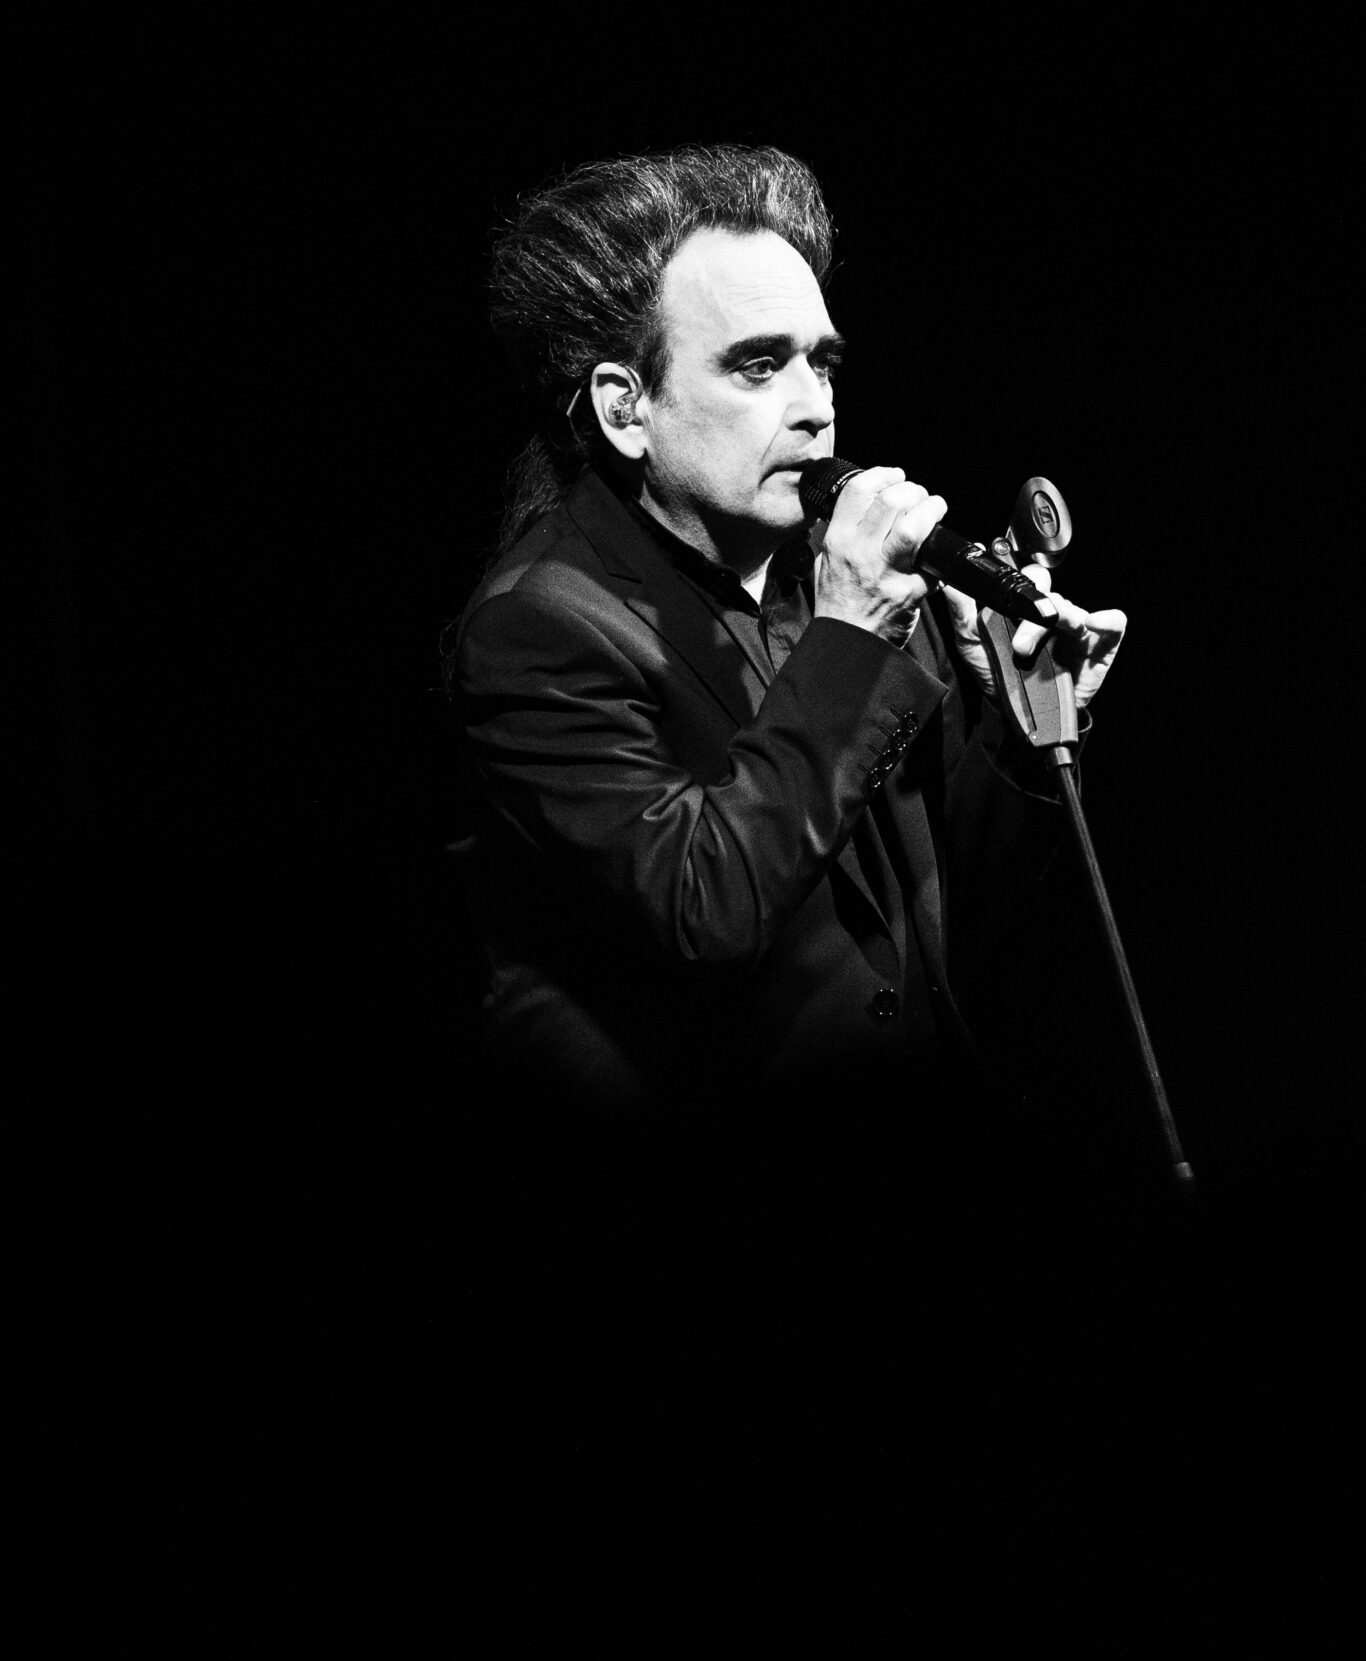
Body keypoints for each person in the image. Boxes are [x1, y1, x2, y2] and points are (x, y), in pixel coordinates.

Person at [441, 146, 1134, 1527]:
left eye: (822, 362)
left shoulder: (834, 598)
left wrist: (1020, 732)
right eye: (758, 366)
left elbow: (959, 931)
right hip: (714, 1294)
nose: (815, 407)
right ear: (625, 408)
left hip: (921, 1223)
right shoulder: (540, 632)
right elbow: (703, 909)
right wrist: (853, 636)